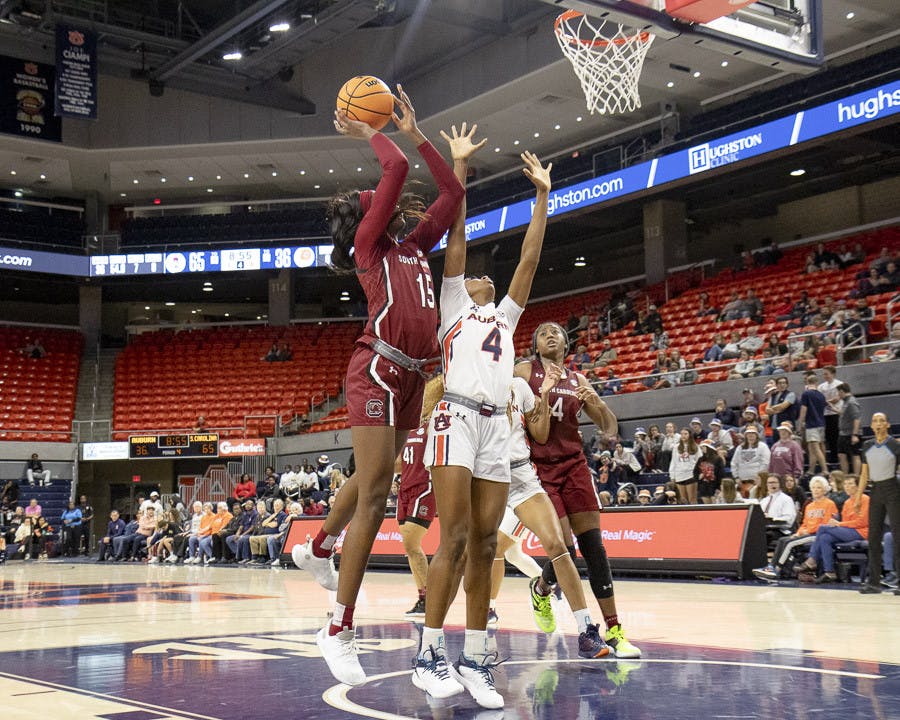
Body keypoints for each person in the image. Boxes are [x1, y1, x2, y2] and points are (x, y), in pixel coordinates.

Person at [294, 90, 466, 689]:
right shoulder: (371, 248)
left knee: (372, 482)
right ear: (368, 216)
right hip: (377, 369)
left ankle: (317, 548)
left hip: (414, 378)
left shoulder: (415, 247)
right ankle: (337, 627)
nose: (388, 198)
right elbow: (392, 169)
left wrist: (419, 132)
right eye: (376, 202)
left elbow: (453, 195)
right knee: (373, 499)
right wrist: (372, 130)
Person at [412, 141, 549, 711]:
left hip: (496, 426)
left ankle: (474, 654)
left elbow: (529, 261)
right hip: (457, 417)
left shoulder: (507, 315)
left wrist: (543, 196)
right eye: (475, 277)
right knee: (458, 535)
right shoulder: (452, 304)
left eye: (487, 280)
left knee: (489, 543)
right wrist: (460, 169)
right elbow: (459, 235)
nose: (485, 279)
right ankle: (427, 651)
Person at [517, 322, 642, 661]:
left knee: (594, 547)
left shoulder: (578, 380)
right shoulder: (525, 371)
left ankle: (615, 630)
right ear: (535, 344)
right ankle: (542, 588)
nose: (550, 335)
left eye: (557, 332)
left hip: (574, 466)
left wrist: (598, 405)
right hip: (540, 468)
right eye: (542, 332)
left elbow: (609, 427)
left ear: (566, 342)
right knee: (564, 549)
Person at [397, 376, 443, 619]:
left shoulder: (435, 422)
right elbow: (400, 463)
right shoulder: (409, 427)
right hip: (404, 488)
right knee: (411, 549)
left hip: (424, 486)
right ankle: (424, 597)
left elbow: (444, 383)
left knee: (410, 543)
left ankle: (432, 595)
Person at [753, 476, 837, 581]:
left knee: (790, 543)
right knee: (782, 540)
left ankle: (776, 569)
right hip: (807, 533)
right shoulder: (809, 506)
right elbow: (804, 523)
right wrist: (798, 533)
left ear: (824, 490)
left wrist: (808, 531)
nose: (816, 490)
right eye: (814, 487)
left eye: (819, 488)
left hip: (817, 535)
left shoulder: (829, 504)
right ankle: (771, 567)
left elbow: (826, 524)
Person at [857, 413, 900, 594]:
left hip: (893, 489)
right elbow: (864, 474)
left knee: (898, 535)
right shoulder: (866, 446)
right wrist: (858, 496)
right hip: (875, 491)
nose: (878, 424)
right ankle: (873, 582)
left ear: (888, 424)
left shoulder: (894, 445)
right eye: (875, 421)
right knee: (873, 536)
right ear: (872, 426)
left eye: (882, 420)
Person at [799, 474, 869, 583]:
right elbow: (845, 523)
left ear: (858, 486)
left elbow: (862, 522)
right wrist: (840, 524)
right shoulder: (847, 502)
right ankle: (829, 571)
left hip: (861, 532)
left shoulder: (865, 499)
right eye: (845, 484)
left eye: (850, 483)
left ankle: (812, 560)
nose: (847, 486)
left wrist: (839, 524)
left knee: (822, 527)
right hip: (849, 531)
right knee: (825, 538)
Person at [798, 373, 828, 476]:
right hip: (821, 423)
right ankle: (811, 470)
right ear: (816, 383)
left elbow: (804, 409)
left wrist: (800, 422)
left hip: (812, 424)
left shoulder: (806, 394)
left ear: (807, 382)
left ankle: (825, 469)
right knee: (811, 449)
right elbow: (827, 405)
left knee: (815, 448)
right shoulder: (821, 395)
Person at [730, 426, 770, 493]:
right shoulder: (740, 447)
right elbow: (734, 463)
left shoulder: (763, 446)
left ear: (757, 435)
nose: (751, 435)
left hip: (756, 480)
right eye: (748, 433)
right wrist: (736, 477)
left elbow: (766, 462)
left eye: (753, 433)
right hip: (742, 480)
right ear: (745, 435)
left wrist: (759, 477)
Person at [669, 428, 701, 504]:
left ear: (690, 435)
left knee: (692, 499)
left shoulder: (696, 446)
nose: (683, 436)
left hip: (691, 475)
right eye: (682, 434)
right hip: (679, 475)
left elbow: (699, 461)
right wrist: (672, 476)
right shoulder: (676, 447)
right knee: (682, 500)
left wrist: (698, 474)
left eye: (685, 434)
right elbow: (673, 462)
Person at [836, 383, 862, 475]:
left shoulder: (851, 402)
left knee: (855, 455)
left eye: (838, 393)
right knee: (841, 454)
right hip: (843, 434)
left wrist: (854, 435)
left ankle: (856, 476)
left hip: (851, 434)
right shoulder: (845, 402)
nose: (838, 395)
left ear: (842, 391)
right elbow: (844, 414)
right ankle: (845, 477)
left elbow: (857, 418)